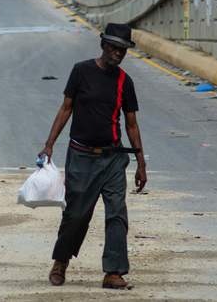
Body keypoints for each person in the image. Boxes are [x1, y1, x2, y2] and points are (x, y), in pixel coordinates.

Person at [38, 23, 147, 290]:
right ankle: (60, 262)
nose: (118, 54)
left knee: (117, 214)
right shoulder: (81, 71)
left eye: (123, 50)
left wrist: (141, 163)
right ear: (103, 45)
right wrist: (49, 144)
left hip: (112, 159)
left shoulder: (125, 82)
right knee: (76, 215)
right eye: (114, 48)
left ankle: (114, 272)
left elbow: (131, 125)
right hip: (81, 157)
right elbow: (66, 109)